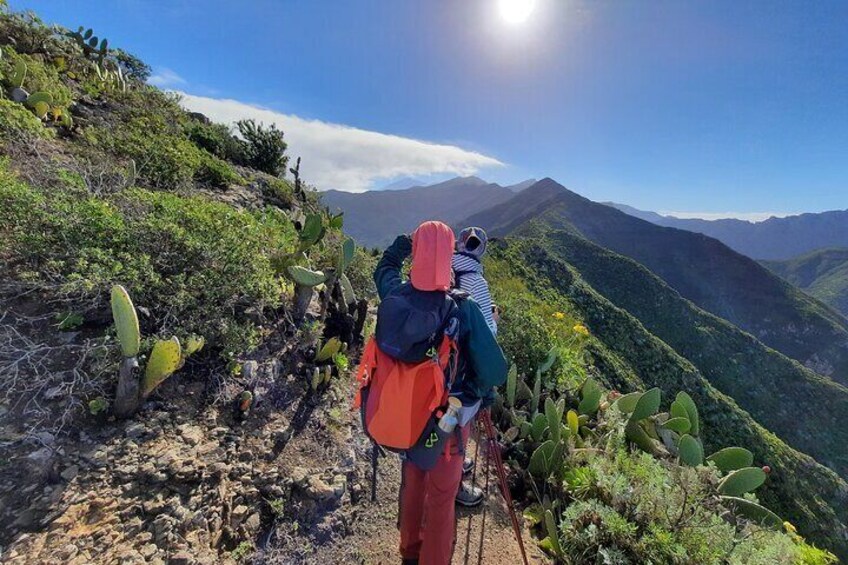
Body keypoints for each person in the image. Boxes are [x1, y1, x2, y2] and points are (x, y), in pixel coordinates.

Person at [373, 221, 508, 565]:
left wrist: (400, 247)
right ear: (450, 254)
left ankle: (409, 553)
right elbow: (494, 370)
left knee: (414, 483)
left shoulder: (396, 295)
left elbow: (384, 269)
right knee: (442, 496)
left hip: (409, 415)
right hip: (447, 421)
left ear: (417, 253)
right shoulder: (464, 308)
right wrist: (480, 394)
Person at [452, 226, 498, 507]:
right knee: (463, 418)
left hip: (440, 358)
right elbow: (487, 334)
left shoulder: (442, 268)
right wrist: (494, 317)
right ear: (481, 250)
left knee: (446, 416)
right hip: (465, 365)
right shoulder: (476, 282)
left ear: (458, 243)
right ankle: (456, 481)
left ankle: (453, 461)